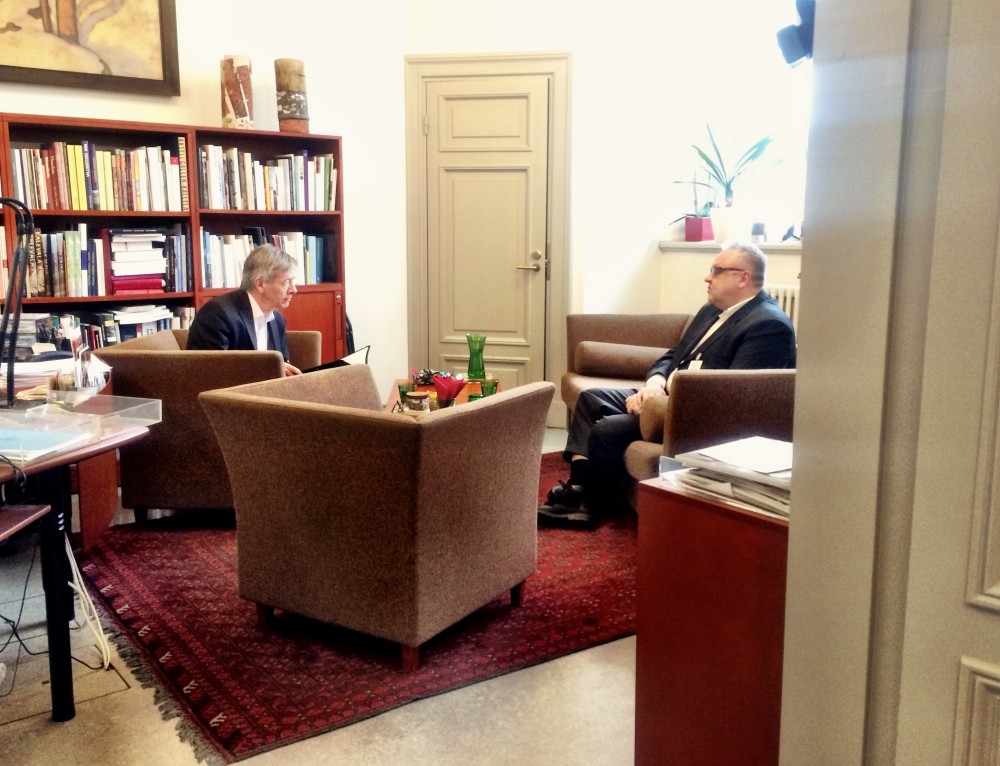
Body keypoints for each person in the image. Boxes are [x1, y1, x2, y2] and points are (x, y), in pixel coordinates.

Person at [539, 242, 797, 528]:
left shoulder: (768, 326)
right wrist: (654, 383)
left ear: (743, 278)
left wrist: (657, 405)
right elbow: (673, 355)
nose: (707, 277)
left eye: (716, 271)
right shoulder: (711, 311)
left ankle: (593, 505)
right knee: (590, 399)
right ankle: (580, 490)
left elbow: (732, 398)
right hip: (664, 397)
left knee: (607, 429)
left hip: (690, 416)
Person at [186, 244, 302, 376]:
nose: (294, 290)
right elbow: (211, 371)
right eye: (286, 283)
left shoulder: (277, 320)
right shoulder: (217, 314)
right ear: (260, 284)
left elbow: (283, 364)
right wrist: (267, 369)